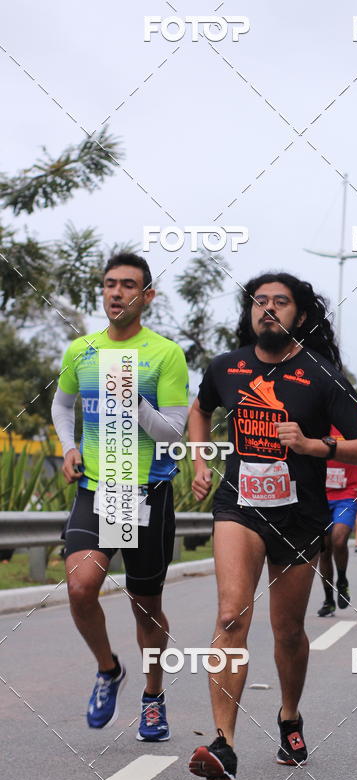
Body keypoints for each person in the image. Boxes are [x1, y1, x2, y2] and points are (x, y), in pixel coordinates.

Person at [187, 273, 357, 780]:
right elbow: (200, 410)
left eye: (281, 302)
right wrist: (202, 460)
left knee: (288, 631)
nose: (267, 309)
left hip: (301, 515)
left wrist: (318, 447)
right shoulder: (227, 367)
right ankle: (223, 744)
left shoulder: (321, 375)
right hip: (239, 507)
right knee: (230, 616)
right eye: (259, 302)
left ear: (301, 315)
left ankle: (288, 714)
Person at [51, 253, 189, 741]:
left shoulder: (166, 354)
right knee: (81, 586)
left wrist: (136, 404)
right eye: (109, 284)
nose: (116, 293)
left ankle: (153, 696)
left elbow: (173, 436)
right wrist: (68, 446)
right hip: (97, 489)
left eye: (128, 285)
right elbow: (62, 403)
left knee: (144, 605)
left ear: (146, 296)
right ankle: (108, 669)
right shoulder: (81, 349)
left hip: (146, 491)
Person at [317, 427, 357, 616]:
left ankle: (342, 580)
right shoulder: (313, 421)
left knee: (339, 539)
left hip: (347, 494)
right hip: (320, 496)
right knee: (324, 549)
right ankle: (328, 600)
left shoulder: (350, 423)